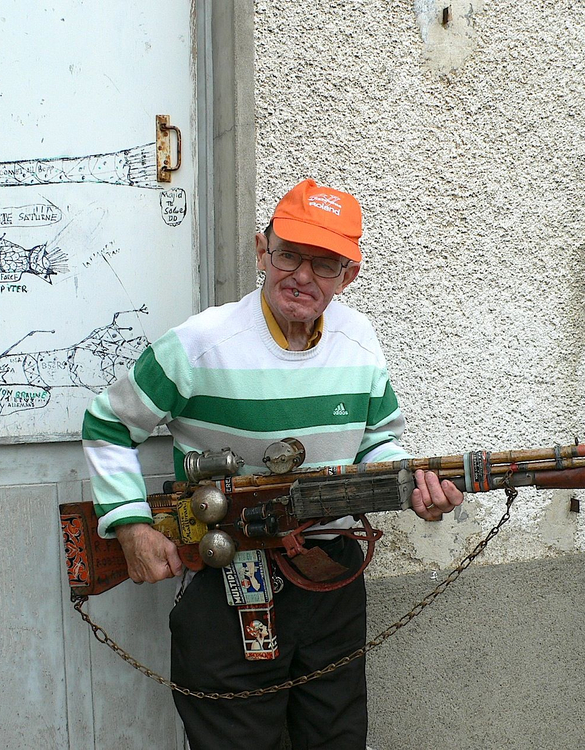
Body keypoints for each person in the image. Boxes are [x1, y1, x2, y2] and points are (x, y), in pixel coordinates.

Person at [82, 178, 463, 750]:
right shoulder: (201, 342)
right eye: (289, 255)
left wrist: (415, 487)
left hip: (332, 575)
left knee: (336, 738)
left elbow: (376, 443)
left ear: (348, 275)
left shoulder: (360, 341)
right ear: (263, 251)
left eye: (324, 264)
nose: (302, 276)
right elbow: (108, 423)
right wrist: (131, 525)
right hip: (226, 573)